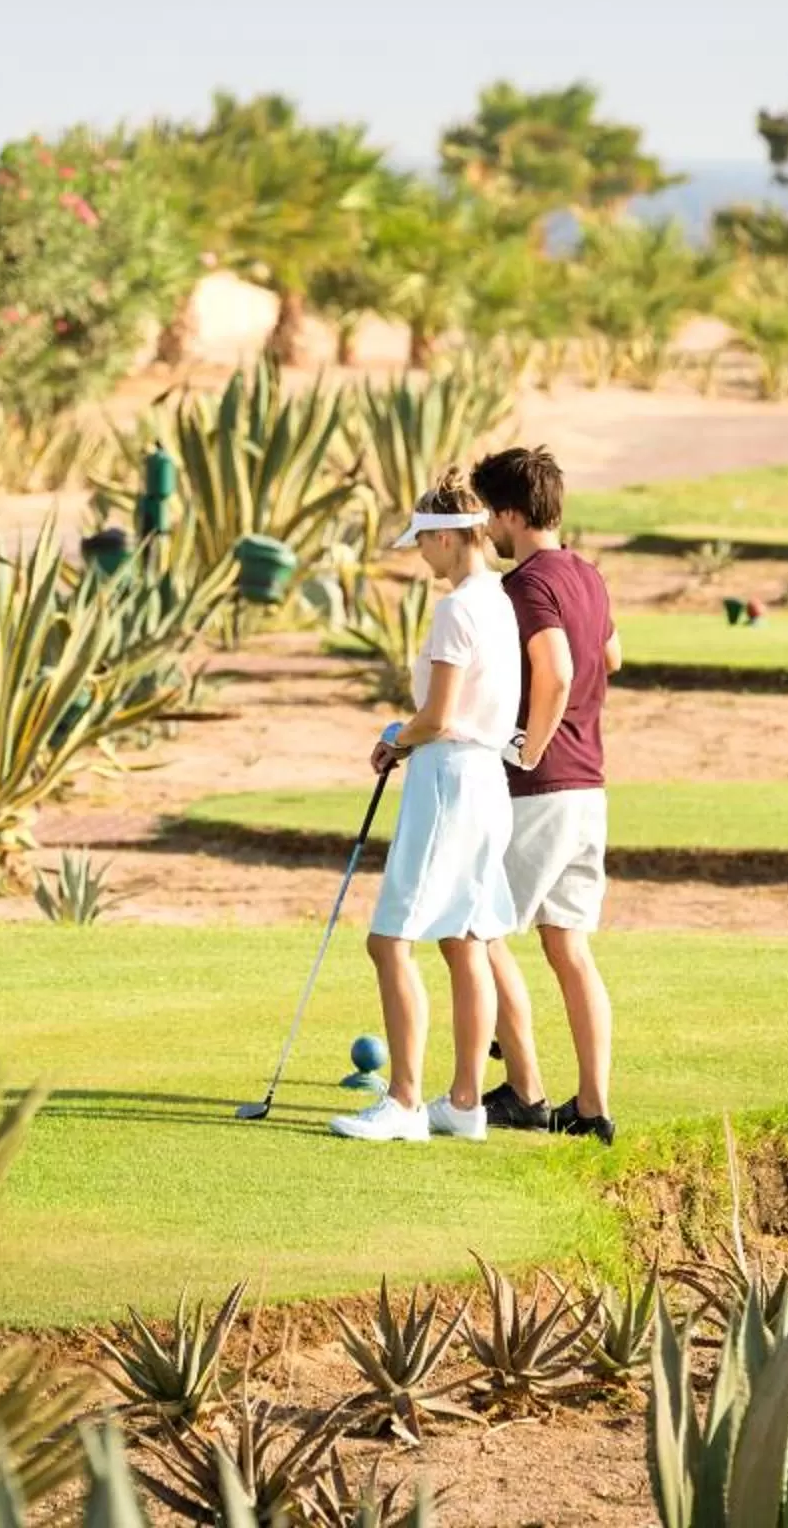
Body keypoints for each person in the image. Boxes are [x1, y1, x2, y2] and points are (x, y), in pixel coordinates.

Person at [330, 470, 522, 1143]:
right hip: (486, 780)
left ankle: (405, 1102)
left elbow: (438, 715)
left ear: (447, 538)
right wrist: (411, 738)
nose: (419, 555)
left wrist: (394, 740)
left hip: (447, 781)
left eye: (422, 542)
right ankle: (465, 1104)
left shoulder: (457, 608)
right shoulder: (499, 601)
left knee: (388, 941)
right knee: (466, 939)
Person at [472, 445, 622, 1145]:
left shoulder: (527, 585)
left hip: (541, 787)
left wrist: (528, 746)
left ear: (510, 513)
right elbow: (611, 656)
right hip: (589, 786)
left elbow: (556, 670)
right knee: (569, 947)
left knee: (480, 929)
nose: (486, 532)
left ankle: (525, 1091)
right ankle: (591, 1109)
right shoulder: (587, 574)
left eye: (488, 515)